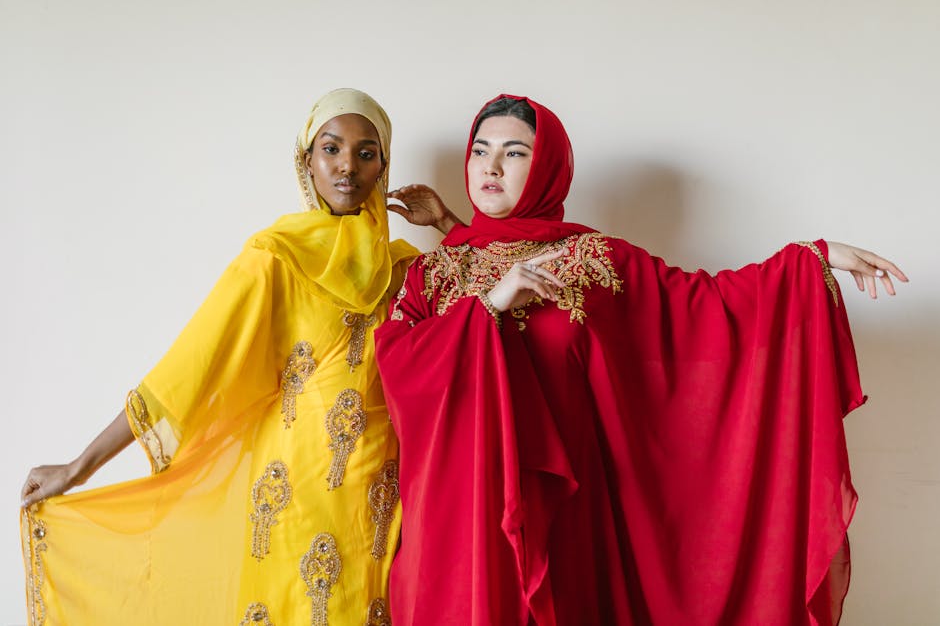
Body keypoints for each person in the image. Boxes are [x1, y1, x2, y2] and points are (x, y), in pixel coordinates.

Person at [376, 94, 907, 626]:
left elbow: (708, 307)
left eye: (514, 153)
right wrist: (490, 305)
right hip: (460, 510)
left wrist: (811, 260)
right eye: (480, 150)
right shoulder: (432, 274)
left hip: (565, 515)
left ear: (546, 169)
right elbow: (398, 363)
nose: (491, 166)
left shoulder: (594, 261)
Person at [20, 88, 458, 625]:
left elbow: (489, 312)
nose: (347, 166)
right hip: (293, 486)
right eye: (331, 149)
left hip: (384, 489)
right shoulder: (274, 258)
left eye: (366, 153)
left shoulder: (407, 269)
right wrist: (79, 466)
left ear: (383, 167)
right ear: (306, 161)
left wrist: (448, 224)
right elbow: (188, 368)